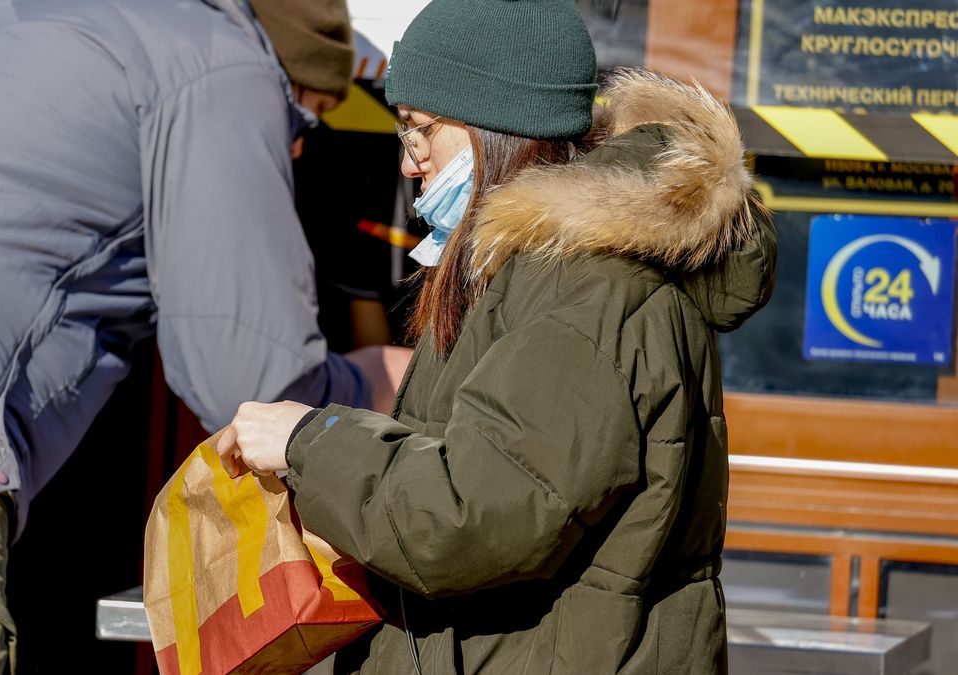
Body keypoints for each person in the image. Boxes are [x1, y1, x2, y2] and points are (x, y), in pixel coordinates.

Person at [0, 0, 412, 672]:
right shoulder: (225, 62)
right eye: (304, 122)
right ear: (290, 68)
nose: (297, 150)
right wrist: (377, 378)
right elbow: (251, 384)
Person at [222, 0, 778, 672]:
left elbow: (474, 516)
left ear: (496, 126)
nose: (408, 162)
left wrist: (309, 441)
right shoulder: (535, 268)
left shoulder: (587, 286)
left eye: (419, 131)